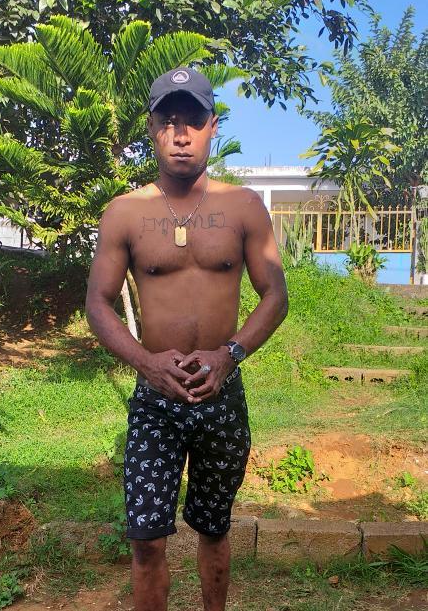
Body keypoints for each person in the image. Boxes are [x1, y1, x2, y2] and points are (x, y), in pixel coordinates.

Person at [85, 66, 288, 611]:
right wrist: (145, 363)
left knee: (213, 529)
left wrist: (230, 355)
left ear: (212, 127)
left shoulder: (244, 207)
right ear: (152, 128)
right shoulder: (125, 212)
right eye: (168, 121)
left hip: (222, 396)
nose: (181, 134)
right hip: (156, 399)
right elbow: (97, 303)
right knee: (146, 540)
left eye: (193, 121)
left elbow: (275, 294)